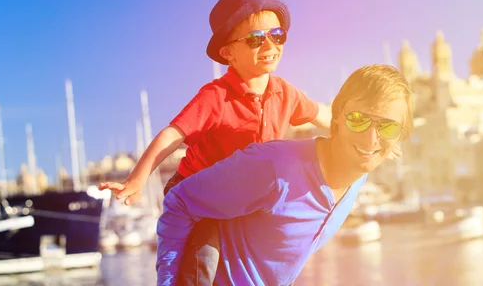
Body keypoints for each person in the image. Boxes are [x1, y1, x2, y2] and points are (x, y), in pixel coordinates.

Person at [99, 0, 331, 285]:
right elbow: (173, 135)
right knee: (204, 258)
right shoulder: (215, 96)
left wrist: (364, 130)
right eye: (256, 39)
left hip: (242, 194)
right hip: (197, 193)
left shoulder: (285, 93)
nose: (270, 44)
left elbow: (324, 116)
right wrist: (137, 179)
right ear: (228, 53)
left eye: (277, 35)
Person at [156, 64, 413, 286]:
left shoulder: (362, 165)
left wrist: (383, 144)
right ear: (336, 116)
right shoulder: (273, 167)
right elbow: (179, 202)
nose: (370, 138)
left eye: (387, 127)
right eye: (358, 119)